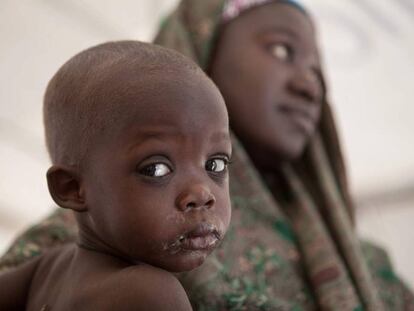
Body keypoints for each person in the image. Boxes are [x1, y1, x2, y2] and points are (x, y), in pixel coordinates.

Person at [1, 0, 413, 310]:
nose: (311, 86)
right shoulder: (89, 236)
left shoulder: (369, 266)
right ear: (199, 47)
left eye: (217, 165)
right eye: (284, 51)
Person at [0, 40, 232, 310]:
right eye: (156, 169)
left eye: (215, 165)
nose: (202, 193)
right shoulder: (150, 294)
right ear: (72, 188)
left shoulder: (47, 271)